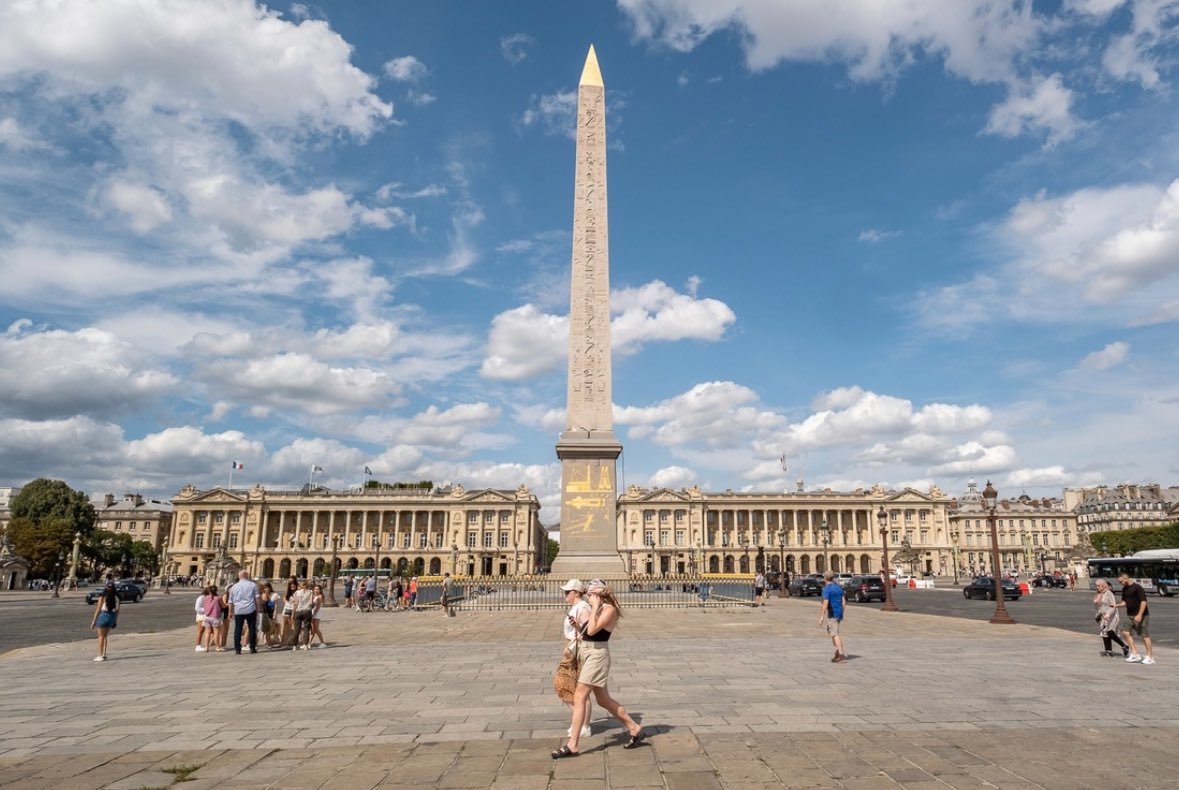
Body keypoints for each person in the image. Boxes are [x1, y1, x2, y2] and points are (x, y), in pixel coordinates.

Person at [552, 580, 646, 759]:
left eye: (590, 594)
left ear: (599, 594)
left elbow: (594, 630)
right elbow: (587, 632)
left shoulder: (609, 609)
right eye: (587, 594)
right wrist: (577, 626)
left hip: (597, 655)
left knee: (580, 695)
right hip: (587, 653)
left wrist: (595, 607)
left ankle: (573, 745)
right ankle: (634, 727)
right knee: (603, 700)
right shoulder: (599, 608)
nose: (588, 596)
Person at [559, 579, 593, 739]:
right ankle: (579, 721)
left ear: (576, 593)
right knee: (570, 688)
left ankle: (583, 724)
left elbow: (588, 633)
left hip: (579, 651)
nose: (565, 594)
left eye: (567, 592)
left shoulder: (584, 608)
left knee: (575, 688)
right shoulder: (576, 607)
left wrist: (576, 635)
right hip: (572, 649)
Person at [1114, 572, 1154, 664]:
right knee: (1125, 632)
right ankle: (1135, 654)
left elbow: (1144, 602)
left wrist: (1139, 615)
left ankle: (1150, 656)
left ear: (1126, 578)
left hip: (1142, 615)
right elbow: (1125, 602)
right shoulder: (1124, 589)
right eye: (1119, 582)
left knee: (1144, 635)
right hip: (1130, 615)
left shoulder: (1137, 588)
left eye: (1121, 581)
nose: (1121, 583)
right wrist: (1116, 605)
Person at [1093, 579, 1129, 658]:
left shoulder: (1109, 594)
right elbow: (1100, 607)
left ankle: (1124, 646)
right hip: (1104, 616)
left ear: (1103, 585)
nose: (1097, 587)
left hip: (1112, 616)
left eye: (1099, 586)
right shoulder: (1100, 594)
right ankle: (1108, 650)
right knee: (1104, 633)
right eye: (1096, 586)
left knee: (1109, 632)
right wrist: (1098, 615)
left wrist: (1108, 614)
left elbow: (1113, 606)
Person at [227, 569, 261, 655]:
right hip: (250, 609)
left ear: (239, 576)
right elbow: (257, 599)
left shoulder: (234, 587)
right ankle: (252, 647)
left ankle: (238, 649)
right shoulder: (253, 585)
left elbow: (230, 601)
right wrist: (258, 609)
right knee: (252, 628)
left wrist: (230, 612)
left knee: (238, 629)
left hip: (238, 610)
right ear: (247, 576)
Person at [818, 571, 847, 663]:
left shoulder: (827, 589)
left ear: (825, 578)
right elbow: (843, 601)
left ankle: (841, 654)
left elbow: (825, 603)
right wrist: (841, 611)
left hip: (832, 613)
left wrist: (821, 616)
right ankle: (837, 652)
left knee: (834, 634)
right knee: (833, 633)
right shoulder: (838, 587)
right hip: (838, 613)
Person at [90, 580, 119, 661]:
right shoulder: (117, 598)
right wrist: (115, 621)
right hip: (112, 617)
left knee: (101, 637)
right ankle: (104, 653)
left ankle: (100, 655)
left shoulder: (102, 597)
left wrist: (94, 621)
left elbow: (98, 610)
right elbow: (117, 611)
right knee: (105, 636)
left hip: (104, 616)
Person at [198, 584, 224, 652]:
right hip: (215, 617)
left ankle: (206, 647)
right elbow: (223, 606)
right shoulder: (218, 597)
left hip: (207, 616)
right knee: (216, 632)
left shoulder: (205, 597)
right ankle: (217, 647)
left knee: (207, 632)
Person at [291, 579, 316, 650]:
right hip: (307, 610)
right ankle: (305, 645)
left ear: (301, 585)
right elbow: (311, 603)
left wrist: (293, 613)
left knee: (297, 629)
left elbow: (295, 603)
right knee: (306, 628)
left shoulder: (297, 592)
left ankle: (294, 646)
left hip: (299, 610)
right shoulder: (310, 592)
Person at [309, 583, 328, 648]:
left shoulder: (320, 596)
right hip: (313, 612)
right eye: (315, 589)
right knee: (313, 629)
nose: (316, 590)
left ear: (320, 590)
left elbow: (317, 607)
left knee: (316, 629)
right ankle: (309, 643)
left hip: (316, 613)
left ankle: (323, 642)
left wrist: (313, 614)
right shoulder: (315, 596)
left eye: (317, 589)